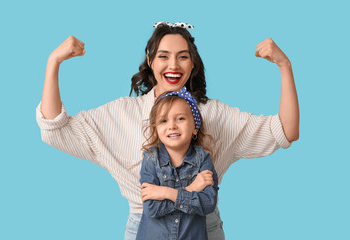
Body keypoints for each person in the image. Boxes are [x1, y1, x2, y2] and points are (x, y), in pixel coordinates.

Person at [36, 22, 299, 239]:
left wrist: (284, 66)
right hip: (146, 226)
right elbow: (55, 129)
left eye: (182, 57)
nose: (173, 65)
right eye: (163, 56)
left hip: (203, 227)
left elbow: (285, 130)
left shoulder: (213, 114)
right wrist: (54, 62)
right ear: (150, 60)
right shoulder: (121, 113)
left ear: (193, 64)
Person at [137, 87, 218, 240]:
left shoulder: (203, 159)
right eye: (163, 120)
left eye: (180, 118)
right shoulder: (151, 159)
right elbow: (152, 208)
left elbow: (208, 204)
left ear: (195, 127)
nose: (172, 126)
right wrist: (191, 189)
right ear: (157, 128)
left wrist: (165, 193)